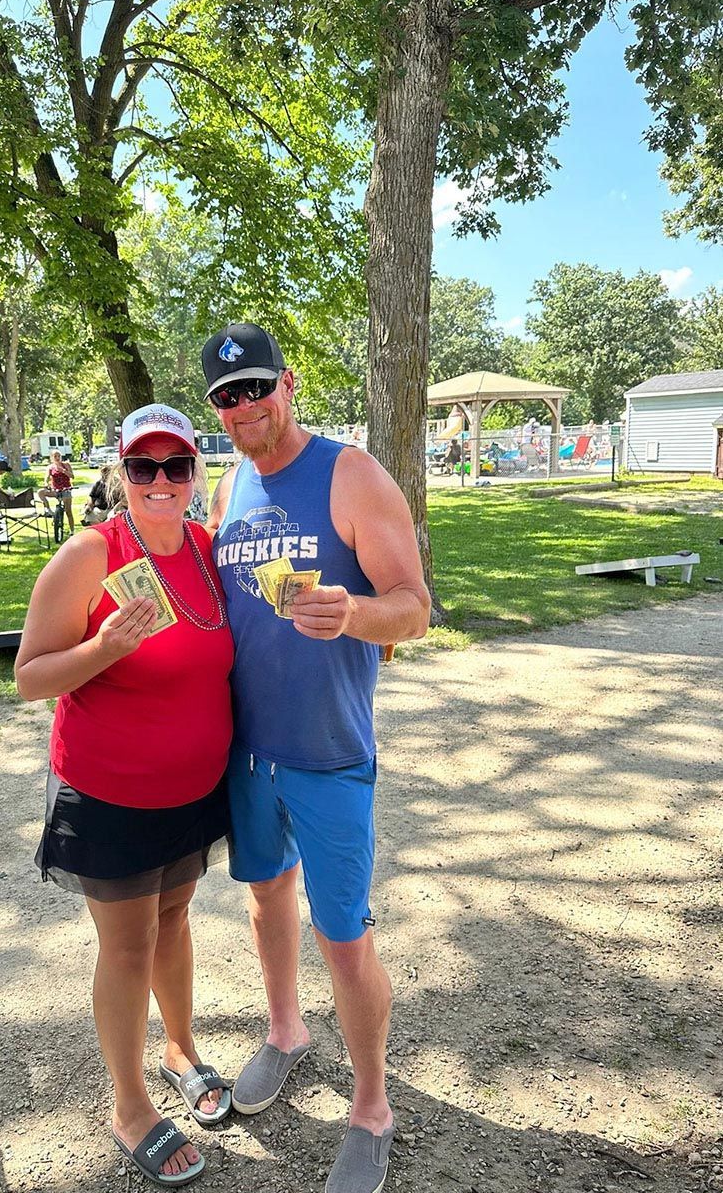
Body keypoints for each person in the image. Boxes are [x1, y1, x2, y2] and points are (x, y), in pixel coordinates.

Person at [204, 323, 431, 1193]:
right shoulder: (232, 484)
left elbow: (412, 607)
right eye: (227, 397)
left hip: (331, 754)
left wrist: (354, 612)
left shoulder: (351, 473)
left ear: (288, 383)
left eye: (256, 387)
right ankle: (286, 1032)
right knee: (267, 901)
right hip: (250, 754)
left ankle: (371, 1107)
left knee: (344, 938)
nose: (245, 406)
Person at [16, 404, 234, 1188]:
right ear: (121, 471)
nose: (162, 481)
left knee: (174, 920)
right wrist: (104, 647)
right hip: (110, 794)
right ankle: (130, 1105)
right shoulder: (89, 553)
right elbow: (29, 677)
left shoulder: (209, 551)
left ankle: (181, 1048)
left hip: (194, 792)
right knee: (129, 943)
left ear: (196, 471)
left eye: (178, 465)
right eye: (144, 467)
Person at [38, 449, 76, 535]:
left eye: (59, 456)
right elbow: (47, 478)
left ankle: (72, 530)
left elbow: (72, 476)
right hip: (55, 490)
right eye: (55, 456)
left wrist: (63, 470)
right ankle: (48, 510)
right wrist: (46, 483)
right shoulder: (50, 467)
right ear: (52, 458)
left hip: (66, 489)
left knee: (68, 511)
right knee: (40, 492)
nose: (57, 458)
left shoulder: (66, 465)